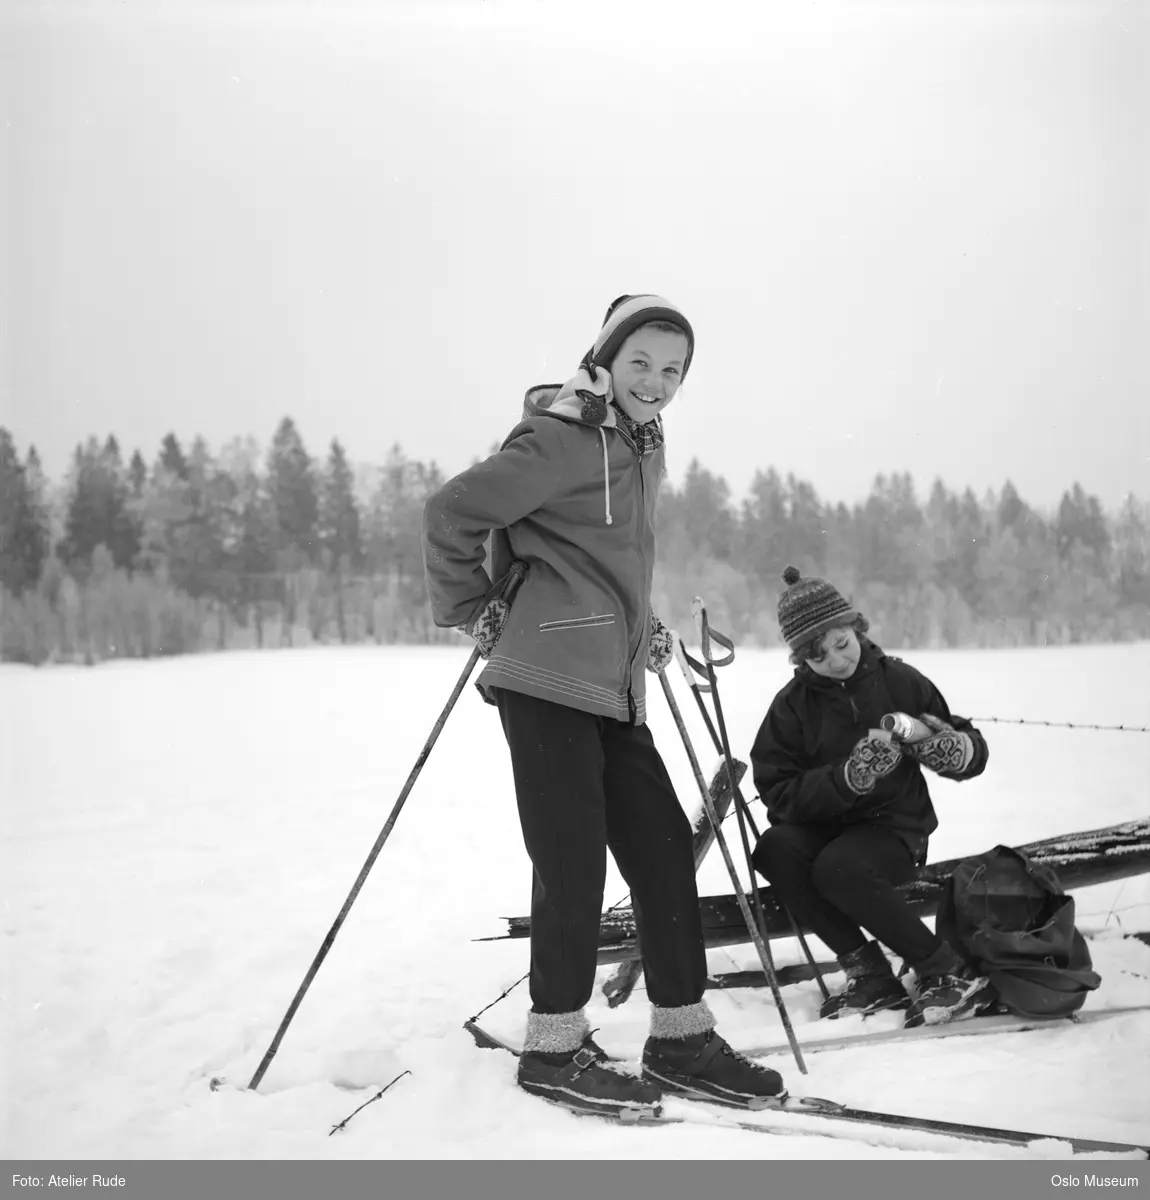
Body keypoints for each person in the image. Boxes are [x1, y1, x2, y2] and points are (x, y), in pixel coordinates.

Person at [422, 295, 784, 1119]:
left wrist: (642, 628)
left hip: (614, 686)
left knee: (661, 856)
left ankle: (682, 1039)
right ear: (606, 359)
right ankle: (553, 1048)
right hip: (545, 678)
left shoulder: (640, 444)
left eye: (673, 371)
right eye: (641, 364)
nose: (656, 382)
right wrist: (470, 606)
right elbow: (451, 512)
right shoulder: (561, 435)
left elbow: (594, 560)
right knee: (573, 863)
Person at [749, 566, 992, 1028]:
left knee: (840, 867)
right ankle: (869, 975)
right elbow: (777, 793)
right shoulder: (790, 707)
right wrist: (846, 778)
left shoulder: (900, 680)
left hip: (895, 829)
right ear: (802, 660)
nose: (837, 661)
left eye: (841, 644)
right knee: (775, 849)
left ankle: (946, 970)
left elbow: (965, 743)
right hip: (826, 827)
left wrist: (956, 750)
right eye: (820, 657)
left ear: (855, 627)